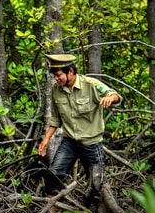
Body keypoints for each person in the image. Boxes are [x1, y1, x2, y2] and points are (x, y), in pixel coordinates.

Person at [38, 53, 121, 200]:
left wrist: (110, 98)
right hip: (69, 141)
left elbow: (114, 95)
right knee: (54, 173)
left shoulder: (90, 84)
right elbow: (56, 119)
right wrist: (46, 140)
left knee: (96, 182)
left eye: (59, 75)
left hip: (91, 143)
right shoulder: (57, 90)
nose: (56, 79)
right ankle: (50, 212)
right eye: (54, 76)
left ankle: (93, 211)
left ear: (70, 71)